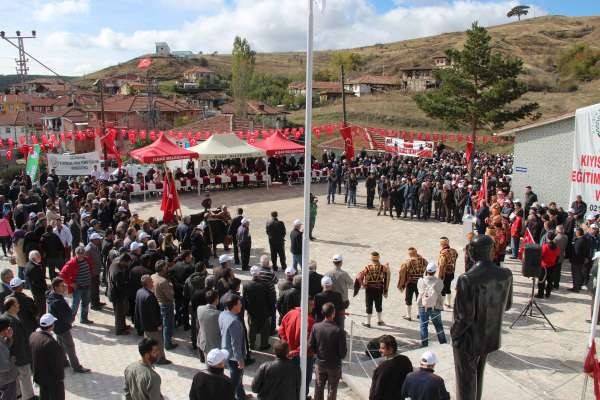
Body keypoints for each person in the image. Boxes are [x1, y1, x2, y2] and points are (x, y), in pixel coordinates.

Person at [451, 234, 513, 400]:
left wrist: (454, 335)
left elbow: (464, 316)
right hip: (488, 336)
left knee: (465, 381)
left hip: (468, 338)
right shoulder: (506, 274)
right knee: (478, 374)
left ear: (472, 252)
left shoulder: (467, 279)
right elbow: (507, 305)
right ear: (492, 252)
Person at [46, 277, 91, 374]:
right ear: (56, 287)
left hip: (57, 327)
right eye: (62, 286)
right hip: (62, 328)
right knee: (70, 347)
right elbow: (66, 317)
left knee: (61, 345)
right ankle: (76, 367)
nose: (65, 287)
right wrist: (71, 319)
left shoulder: (52, 296)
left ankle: (63, 362)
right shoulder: (57, 301)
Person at [310, 302, 347, 400]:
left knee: (318, 388)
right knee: (332, 389)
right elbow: (343, 353)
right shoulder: (339, 331)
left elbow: (311, 345)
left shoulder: (316, 327)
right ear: (333, 313)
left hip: (320, 363)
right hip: (334, 365)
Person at [279, 298, 316, 396]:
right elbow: (309, 343)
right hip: (304, 357)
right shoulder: (310, 321)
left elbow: (281, 330)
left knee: (290, 381)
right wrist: (295, 351)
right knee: (304, 382)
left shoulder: (290, 314)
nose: (313, 307)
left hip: (289, 353)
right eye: (312, 305)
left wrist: (286, 346)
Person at [218, 294, 250, 400]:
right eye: (239, 303)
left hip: (226, 350)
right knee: (235, 380)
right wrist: (240, 360)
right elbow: (235, 344)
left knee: (237, 377)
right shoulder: (235, 321)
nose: (241, 305)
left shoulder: (223, 314)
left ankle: (241, 395)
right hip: (234, 356)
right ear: (234, 306)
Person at [29, 314, 67, 400]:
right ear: (51, 326)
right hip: (52, 380)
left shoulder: (33, 336)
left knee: (44, 397)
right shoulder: (50, 343)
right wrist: (60, 378)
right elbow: (57, 364)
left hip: (40, 377)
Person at [135, 275, 170, 365]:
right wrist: (158, 324)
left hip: (144, 324)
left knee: (148, 343)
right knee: (157, 343)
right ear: (147, 283)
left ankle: (149, 357)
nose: (153, 282)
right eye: (151, 281)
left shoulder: (139, 291)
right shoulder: (150, 296)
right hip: (152, 326)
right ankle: (160, 359)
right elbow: (153, 313)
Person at [368, 335, 413, 400]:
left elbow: (375, 392)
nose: (379, 350)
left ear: (391, 349)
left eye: (383, 348)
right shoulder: (405, 360)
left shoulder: (382, 369)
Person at [59, 245, 94, 324]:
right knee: (75, 305)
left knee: (85, 303)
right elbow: (62, 274)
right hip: (78, 288)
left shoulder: (87, 259)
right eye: (79, 253)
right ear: (76, 253)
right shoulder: (71, 263)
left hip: (87, 286)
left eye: (82, 252)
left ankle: (84, 319)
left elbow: (91, 268)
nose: (81, 254)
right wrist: (70, 283)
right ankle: (69, 321)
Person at [356, 252, 390, 328]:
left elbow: (358, 277)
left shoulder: (367, 267)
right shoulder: (383, 268)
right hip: (379, 289)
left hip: (369, 289)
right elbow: (387, 277)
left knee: (369, 305)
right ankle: (380, 320)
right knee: (378, 304)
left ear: (371, 258)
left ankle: (368, 322)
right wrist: (385, 290)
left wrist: (363, 284)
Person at [417, 263, 447, 347]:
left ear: (426, 270)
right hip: (436, 306)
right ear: (435, 271)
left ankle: (424, 344)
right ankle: (443, 343)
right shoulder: (439, 281)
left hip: (423, 305)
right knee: (438, 326)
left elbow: (420, 292)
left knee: (423, 326)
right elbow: (440, 291)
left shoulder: (421, 281)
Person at [243, 267, 273, 351]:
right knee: (265, 329)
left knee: (252, 328)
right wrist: (270, 310)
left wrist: (247, 309)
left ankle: (251, 344)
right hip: (264, 311)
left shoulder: (246, 285)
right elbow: (269, 299)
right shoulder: (265, 285)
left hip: (252, 312)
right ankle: (264, 344)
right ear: (259, 274)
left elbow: (244, 299)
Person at [397, 247, 428, 321]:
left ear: (410, 254)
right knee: (419, 298)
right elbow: (428, 268)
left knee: (408, 298)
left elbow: (402, 271)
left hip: (410, 283)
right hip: (420, 282)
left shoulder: (408, 262)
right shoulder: (424, 260)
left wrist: (401, 283)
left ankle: (409, 315)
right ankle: (419, 314)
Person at [152, 260, 176, 350]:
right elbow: (170, 296)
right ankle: (168, 344)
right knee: (167, 325)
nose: (167, 269)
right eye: (166, 267)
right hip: (165, 305)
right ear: (162, 269)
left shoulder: (153, 276)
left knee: (162, 324)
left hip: (157, 303)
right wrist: (171, 287)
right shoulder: (163, 281)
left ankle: (163, 340)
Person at [107, 253, 132, 335]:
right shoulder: (118, 272)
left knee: (121, 312)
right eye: (127, 262)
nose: (128, 264)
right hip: (117, 295)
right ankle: (119, 330)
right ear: (123, 262)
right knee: (119, 313)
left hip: (114, 293)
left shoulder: (114, 264)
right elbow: (120, 286)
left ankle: (123, 326)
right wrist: (127, 286)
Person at [196, 289, 222, 361]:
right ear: (216, 299)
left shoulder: (199, 308)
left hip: (204, 342)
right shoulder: (219, 314)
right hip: (215, 345)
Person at [537, 232, 560, 298]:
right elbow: (557, 257)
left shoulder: (545, 246)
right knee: (550, 281)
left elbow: (541, 256)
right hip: (552, 266)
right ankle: (548, 294)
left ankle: (540, 294)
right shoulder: (557, 248)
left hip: (544, 266)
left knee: (541, 281)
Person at [437, 237, 458, 309]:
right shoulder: (454, 251)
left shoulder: (443, 253)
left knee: (442, 289)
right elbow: (456, 257)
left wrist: (439, 277)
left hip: (444, 273)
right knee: (448, 287)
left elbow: (441, 266)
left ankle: (441, 305)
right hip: (451, 272)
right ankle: (448, 303)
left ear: (442, 244)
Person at [24, 250, 47, 317]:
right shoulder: (34, 268)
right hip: (38, 291)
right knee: (41, 308)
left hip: (35, 290)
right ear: (33, 258)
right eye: (38, 256)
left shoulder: (29, 264)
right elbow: (38, 282)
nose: (40, 257)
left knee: (39, 306)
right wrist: (45, 288)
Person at [0, 314, 18, 400]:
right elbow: (4, 367)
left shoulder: (2, 339)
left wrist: (9, 338)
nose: (9, 329)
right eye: (8, 327)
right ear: (3, 330)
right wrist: (13, 359)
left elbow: (6, 348)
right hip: (6, 380)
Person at [570, 227, 589, 292]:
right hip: (581, 260)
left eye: (576, 232)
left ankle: (576, 288)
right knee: (579, 274)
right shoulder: (585, 239)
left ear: (578, 233)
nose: (575, 233)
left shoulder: (579, 241)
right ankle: (577, 286)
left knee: (576, 274)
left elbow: (577, 252)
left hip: (576, 261)